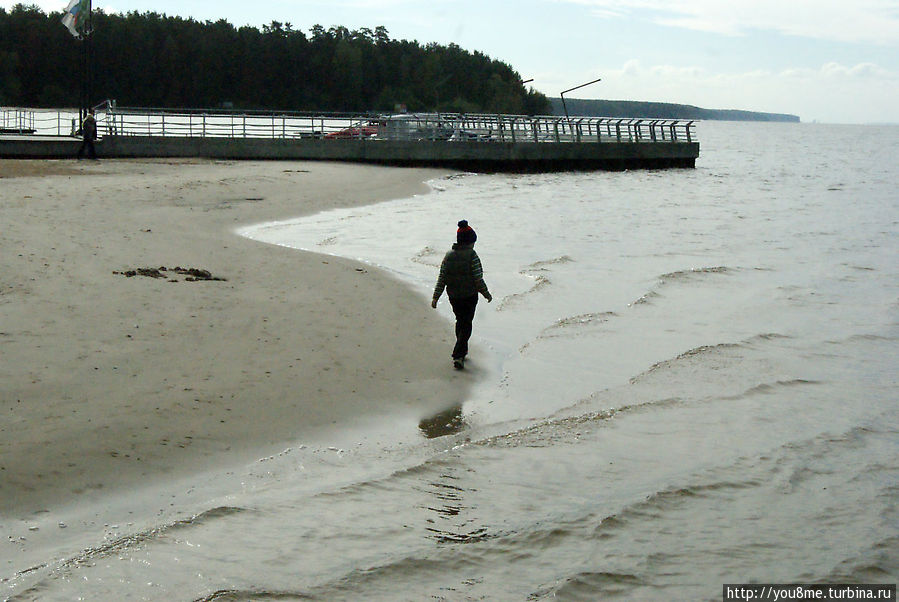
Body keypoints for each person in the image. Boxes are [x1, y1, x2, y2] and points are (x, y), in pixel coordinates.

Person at [431, 220, 492, 369]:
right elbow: (478, 278)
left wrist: (436, 297)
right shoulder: (472, 256)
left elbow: (442, 278)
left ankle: (462, 351)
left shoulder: (449, 256)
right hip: (469, 296)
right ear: (470, 242)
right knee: (466, 323)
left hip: (454, 296)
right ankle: (458, 354)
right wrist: (486, 294)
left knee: (460, 321)